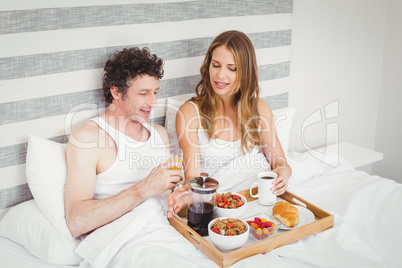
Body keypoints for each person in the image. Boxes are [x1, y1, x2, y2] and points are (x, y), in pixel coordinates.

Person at [168, 31, 292, 216]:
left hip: (258, 199)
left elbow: (280, 161)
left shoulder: (260, 109)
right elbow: (192, 179)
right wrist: (192, 194)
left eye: (231, 68)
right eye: (215, 65)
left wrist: (283, 172)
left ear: (245, 72)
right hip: (218, 205)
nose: (220, 75)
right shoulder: (189, 114)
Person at [64, 47, 182, 238]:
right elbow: (76, 222)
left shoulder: (159, 134)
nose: (153, 103)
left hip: (173, 230)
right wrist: (144, 189)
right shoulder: (88, 139)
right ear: (116, 92)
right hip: (128, 239)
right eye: (144, 93)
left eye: (155, 92)